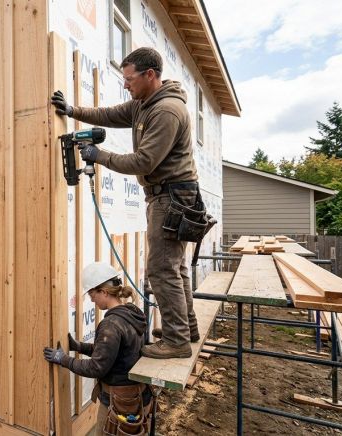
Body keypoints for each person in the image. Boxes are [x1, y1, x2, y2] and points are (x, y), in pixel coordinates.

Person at [50, 46, 200, 359]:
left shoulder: (166, 111)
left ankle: (176, 341)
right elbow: (110, 114)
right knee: (176, 266)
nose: (126, 84)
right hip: (168, 194)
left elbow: (144, 161)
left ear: (150, 75)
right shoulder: (143, 102)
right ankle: (186, 328)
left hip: (172, 195)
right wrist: (72, 110)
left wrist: (99, 156)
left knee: (161, 269)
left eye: (130, 78)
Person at [43, 262, 152, 436]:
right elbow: (114, 352)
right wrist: (80, 346)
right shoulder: (131, 313)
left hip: (120, 402)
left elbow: (96, 367)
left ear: (104, 292)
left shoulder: (110, 324)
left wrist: (63, 359)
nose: (92, 299)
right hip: (138, 395)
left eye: (92, 294)